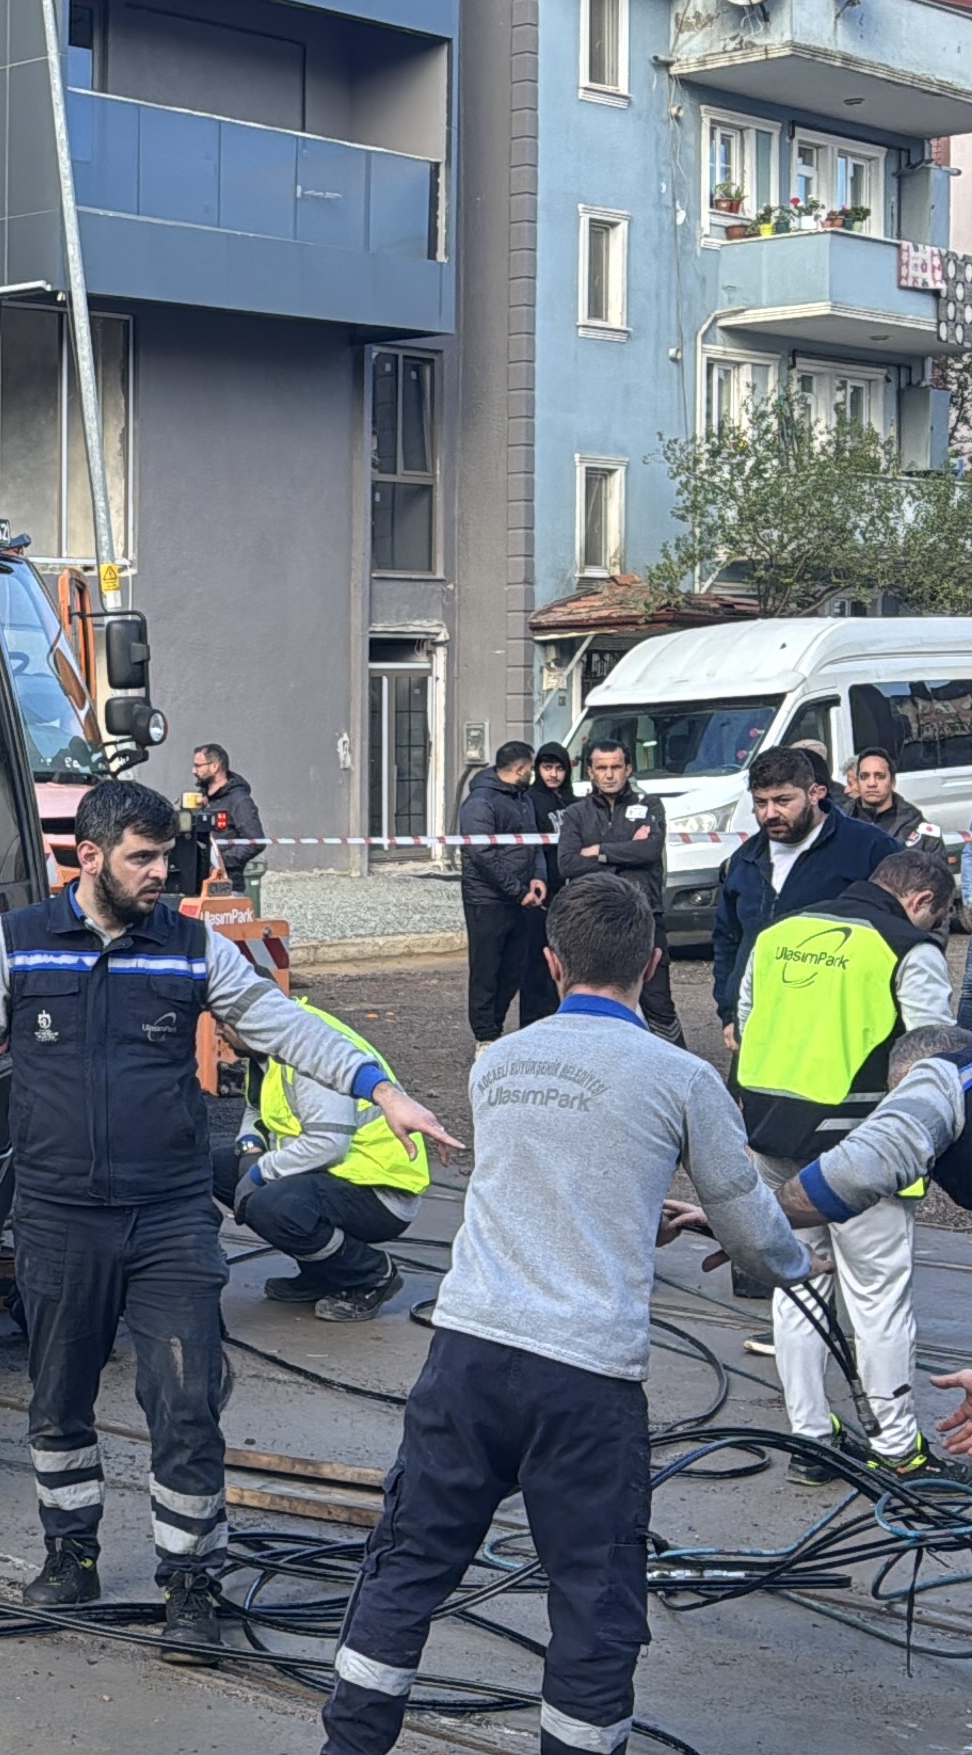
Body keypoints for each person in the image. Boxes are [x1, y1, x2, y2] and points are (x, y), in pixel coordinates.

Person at [0, 779, 451, 1660]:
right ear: (87, 858)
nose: (162, 873)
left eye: (166, 854)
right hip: (57, 1218)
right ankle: (70, 1551)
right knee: (58, 1398)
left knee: (186, 1399)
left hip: (168, 1216)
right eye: (142, 857)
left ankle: (191, 1579)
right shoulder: (15, 943)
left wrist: (379, 1087)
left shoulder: (192, 946)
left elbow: (284, 1025)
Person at [317, 876, 809, 1755]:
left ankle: (349, 1743)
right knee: (593, 1598)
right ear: (654, 963)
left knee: (408, 1564)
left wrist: (622, 1203)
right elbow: (761, 1242)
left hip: (467, 1354)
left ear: (550, 963)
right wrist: (775, 1250)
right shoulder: (683, 1077)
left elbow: (548, 1172)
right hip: (586, 1377)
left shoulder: (496, 1064)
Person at [733, 847, 957, 1482]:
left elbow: (748, 1026)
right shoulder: (908, 950)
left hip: (771, 1137)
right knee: (878, 1298)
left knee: (798, 1285)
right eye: (934, 918)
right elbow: (929, 1058)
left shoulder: (781, 933)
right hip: (858, 1152)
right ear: (919, 903)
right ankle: (897, 1450)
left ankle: (810, 1439)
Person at [214, 1000, 426, 1324]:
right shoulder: (267, 1050)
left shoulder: (309, 1047)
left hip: (378, 1186)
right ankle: (324, 1271)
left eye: (223, 1023)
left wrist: (261, 1171)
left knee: (272, 1205)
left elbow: (330, 1144)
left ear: (251, 1022)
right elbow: (258, 1110)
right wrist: (250, 1146)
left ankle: (370, 1276)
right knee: (219, 1168)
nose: (218, 1032)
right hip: (332, 1172)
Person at [712, 745, 898, 1046]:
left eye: (783, 800)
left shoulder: (869, 849)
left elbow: (906, 930)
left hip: (842, 1028)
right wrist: (729, 1012)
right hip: (759, 1026)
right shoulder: (745, 861)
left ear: (815, 793)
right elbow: (727, 940)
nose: (770, 813)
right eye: (760, 803)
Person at [556, 740, 682, 1044]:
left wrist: (599, 851)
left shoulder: (650, 804)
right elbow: (568, 863)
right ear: (590, 772)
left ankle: (677, 1067)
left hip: (644, 916)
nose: (609, 775)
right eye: (602, 768)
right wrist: (628, 851)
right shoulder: (575, 814)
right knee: (593, 1000)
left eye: (616, 767)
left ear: (628, 769)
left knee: (658, 1002)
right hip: (591, 920)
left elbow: (650, 850)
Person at [457, 742, 552, 1048]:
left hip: (521, 899)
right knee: (486, 971)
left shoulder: (523, 799)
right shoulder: (480, 802)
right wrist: (517, 890)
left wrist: (538, 876)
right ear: (521, 769)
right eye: (532, 768)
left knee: (513, 969)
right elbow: (482, 855)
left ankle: (495, 1028)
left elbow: (533, 841)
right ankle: (484, 1036)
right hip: (487, 900)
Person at [191, 745, 265, 900]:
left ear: (215, 766)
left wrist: (220, 860)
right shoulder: (200, 799)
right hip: (197, 885)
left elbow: (256, 842)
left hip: (228, 887)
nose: (193, 771)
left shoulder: (239, 800)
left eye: (198, 765)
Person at [843, 749, 934, 848]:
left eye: (880, 776)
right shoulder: (838, 823)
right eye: (864, 777)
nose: (871, 783)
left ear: (892, 782)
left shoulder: (917, 828)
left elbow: (936, 862)